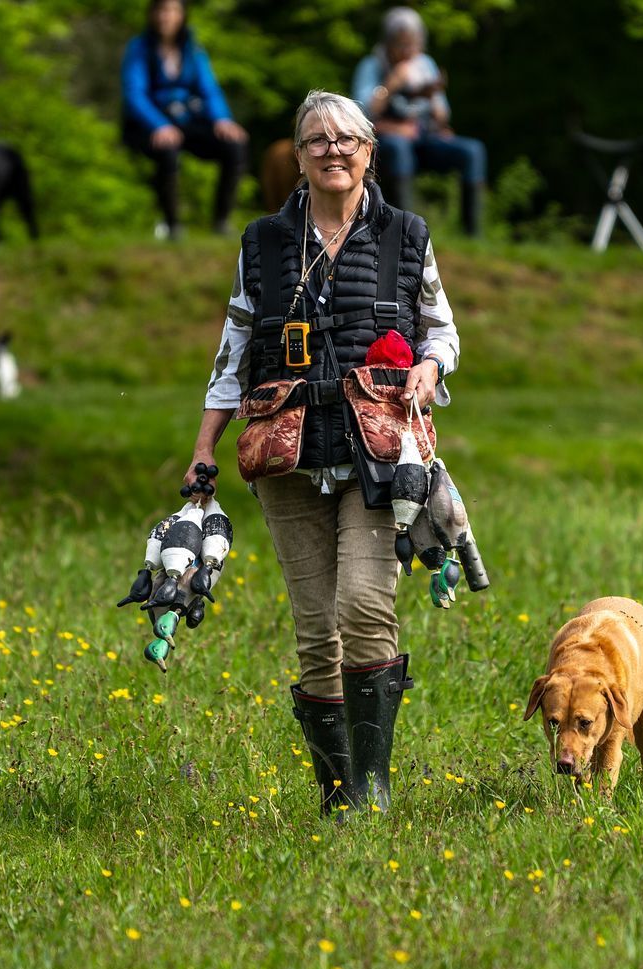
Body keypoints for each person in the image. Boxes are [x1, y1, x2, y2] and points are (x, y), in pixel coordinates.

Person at [188, 90, 461, 817]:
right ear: (298, 156)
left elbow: (441, 330)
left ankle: (373, 786)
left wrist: (431, 370)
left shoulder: (407, 234)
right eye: (317, 140)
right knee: (316, 628)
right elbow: (233, 350)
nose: (332, 149)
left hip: (380, 457)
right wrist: (204, 449)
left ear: (370, 150)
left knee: (364, 606)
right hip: (287, 455)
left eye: (346, 138)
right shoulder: (263, 242)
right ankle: (337, 793)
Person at [352, 7, 486, 237]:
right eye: (401, 45)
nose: (407, 51)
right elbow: (361, 113)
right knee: (398, 146)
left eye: (412, 45)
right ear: (388, 43)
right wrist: (392, 84)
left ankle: (472, 234)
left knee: (473, 150)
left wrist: (432, 95)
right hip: (387, 141)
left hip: (426, 137)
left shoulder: (425, 64)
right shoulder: (372, 65)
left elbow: (444, 116)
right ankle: (405, 232)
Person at [121, 0, 248, 239]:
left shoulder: (192, 48)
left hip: (188, 120)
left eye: (171, 10)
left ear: (181, 15)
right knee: (167, 148)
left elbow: (208, 89)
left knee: (234, 145)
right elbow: (134, 94)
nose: (165, 17)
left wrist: (222, 119)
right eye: (160, 10)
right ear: (152, 14)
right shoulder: (139, 48)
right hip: (149, 125)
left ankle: (221, 222)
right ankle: (172, 226)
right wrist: (159, 125)